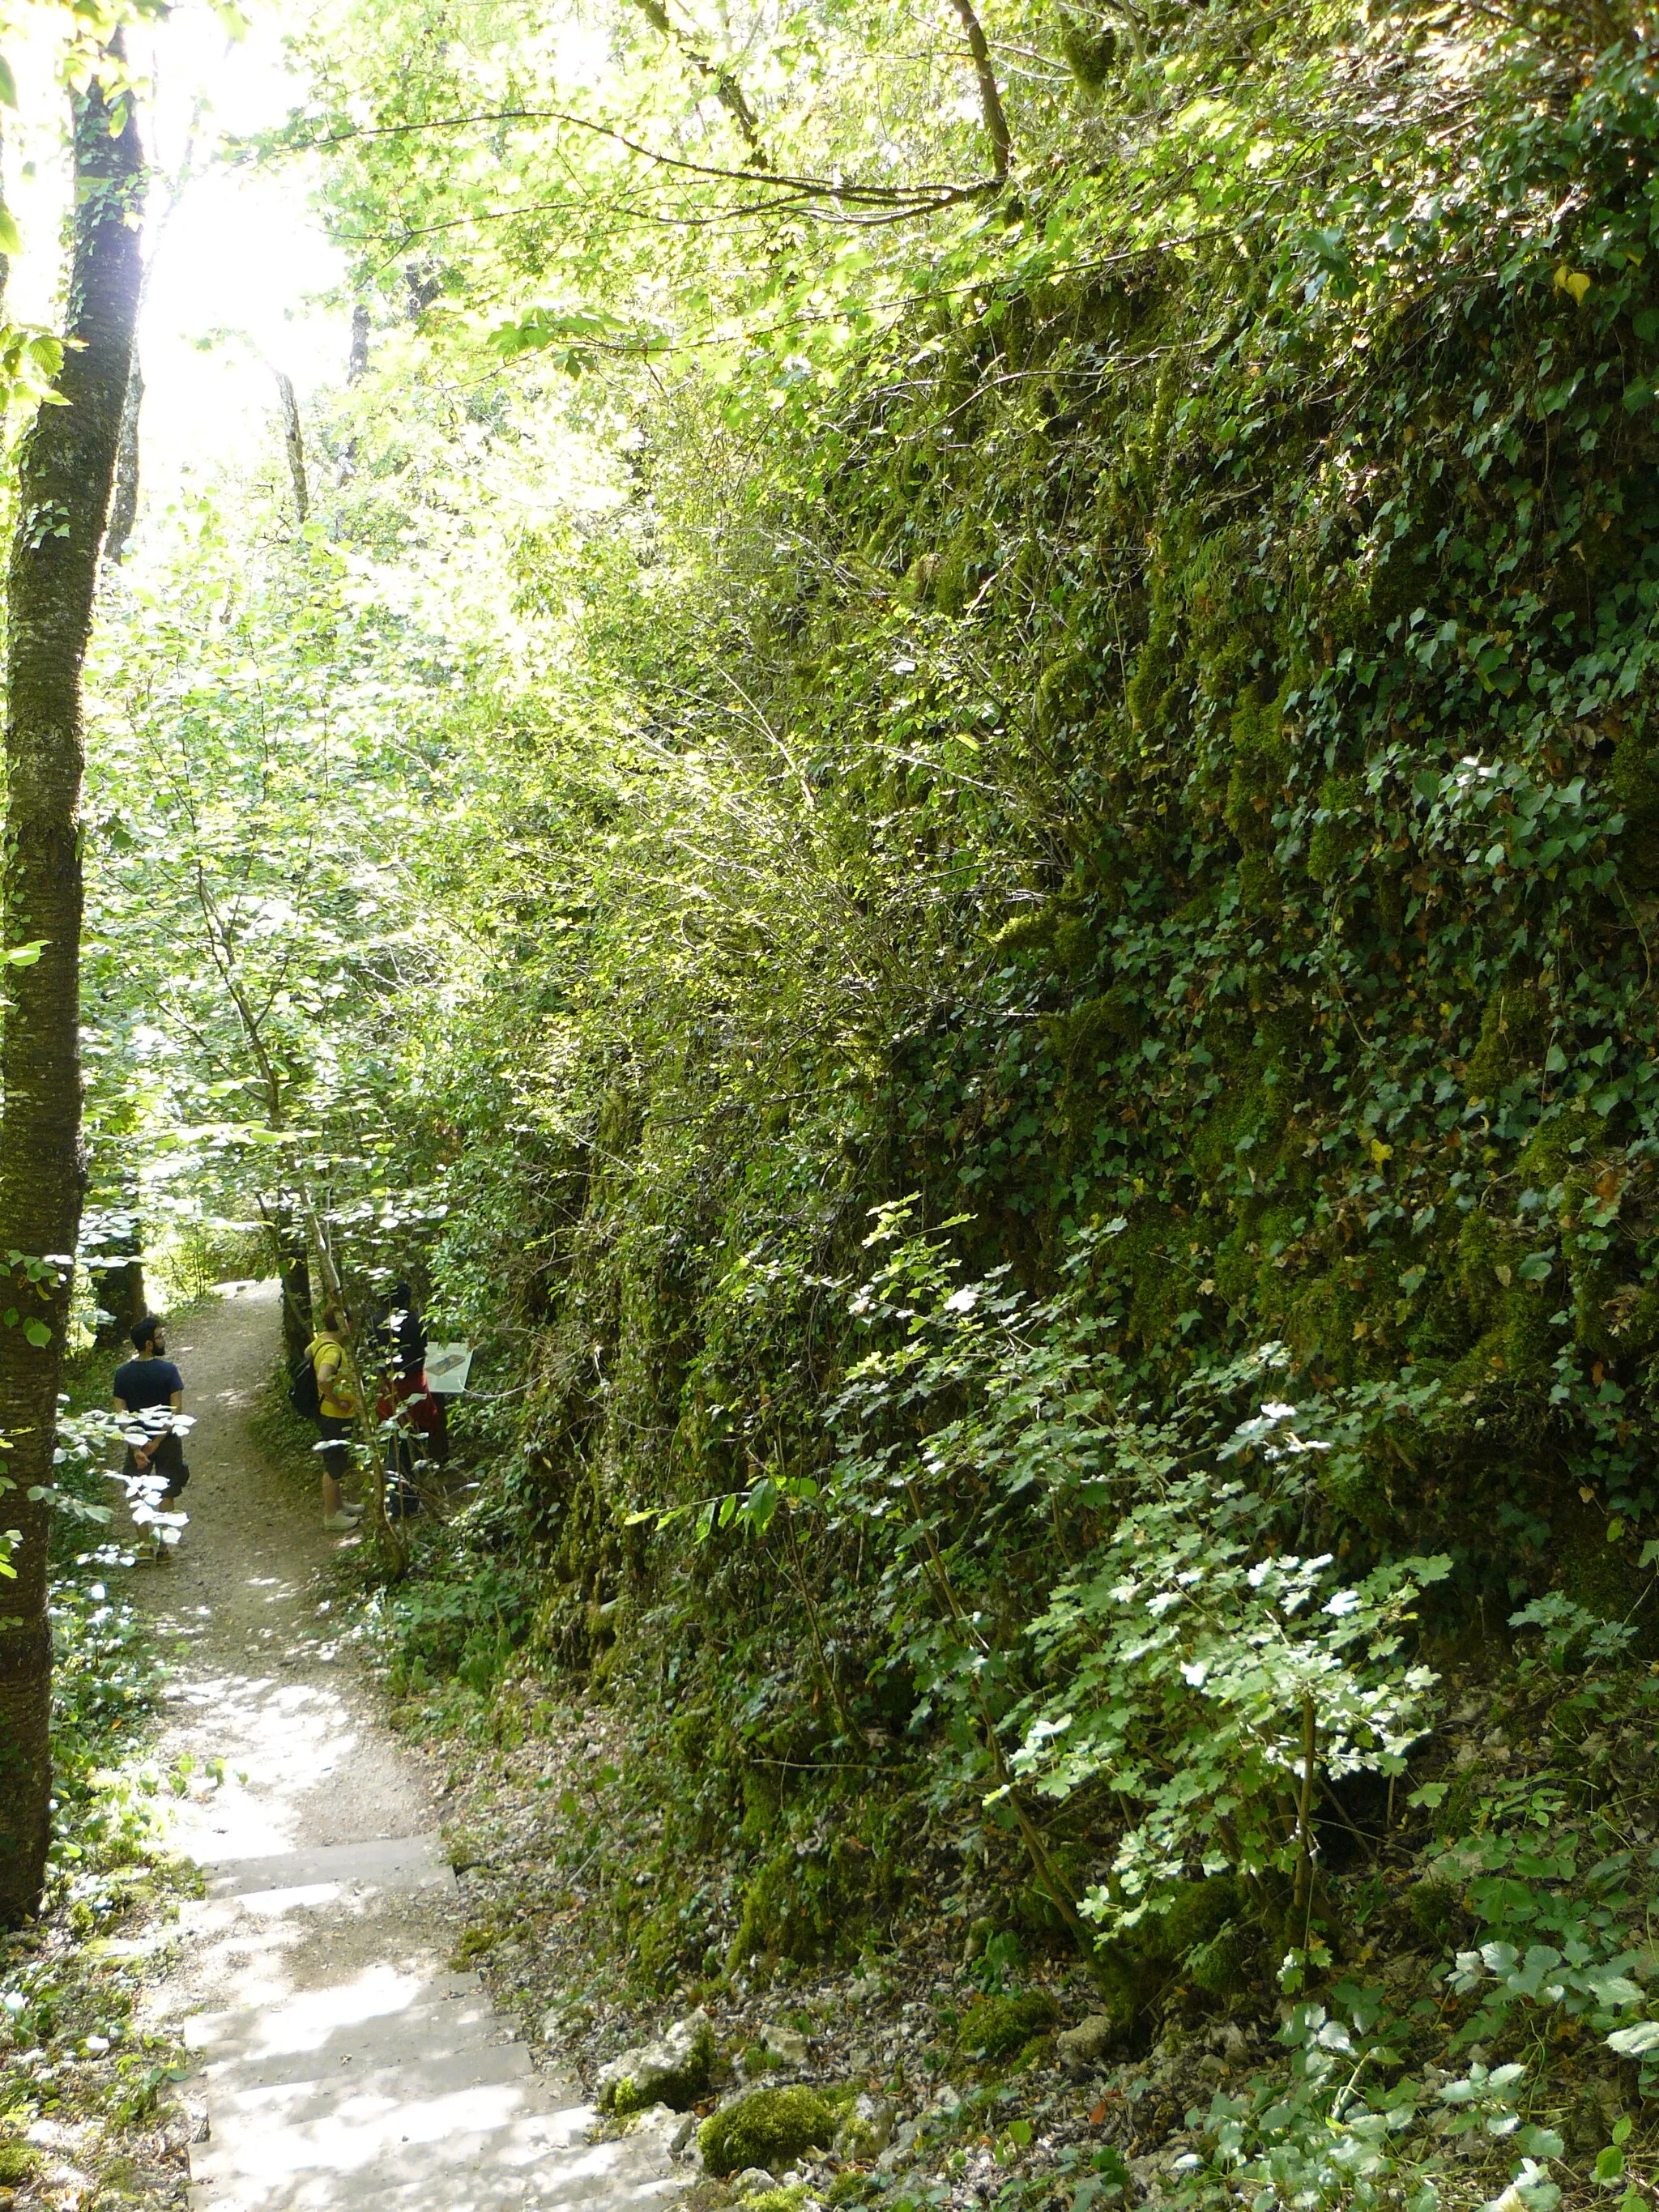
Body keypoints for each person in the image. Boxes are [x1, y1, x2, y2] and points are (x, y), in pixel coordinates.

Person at [113, 1315, 189, 1558]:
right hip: (167, 1441)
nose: (163, 1340)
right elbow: (176, 1409)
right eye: (159, 1337)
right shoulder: (168, 1371)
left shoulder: (122, 1374)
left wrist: (135, 1445)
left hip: (137, 1441)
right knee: (167, 1491)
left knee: (136, 1492)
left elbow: (120, 1413)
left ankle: (144, 1547)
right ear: (148, 1344)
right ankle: (164, 1547)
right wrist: (158, 1441)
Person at [306, 1305, 365, 1531]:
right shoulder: (333, 1350)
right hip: (334, 1415)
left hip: (329, 1414)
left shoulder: (321, 1340)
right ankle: (331, 1516)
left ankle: (339, 1505)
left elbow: (307, 1354)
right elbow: (322, 1379)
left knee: (337, 1462)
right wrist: (335, 1400)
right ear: (345, 1323)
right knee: (334, 1463)